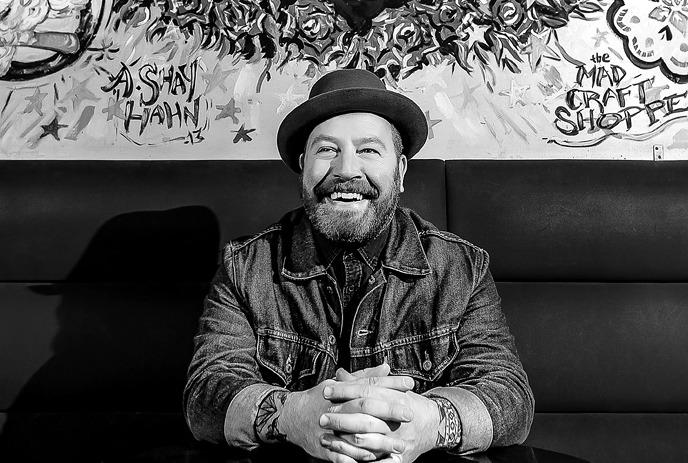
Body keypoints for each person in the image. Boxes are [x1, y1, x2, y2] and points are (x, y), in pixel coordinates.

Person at [184, 69, 534, 463]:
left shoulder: (461, 267)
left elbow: (509, 396)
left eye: (368, 150)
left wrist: (431, 421)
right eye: (327, 150)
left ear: (400, 172)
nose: (347, 169)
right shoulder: (245, 267)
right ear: (303, 168)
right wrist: (290, 414)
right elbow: (206, 393)